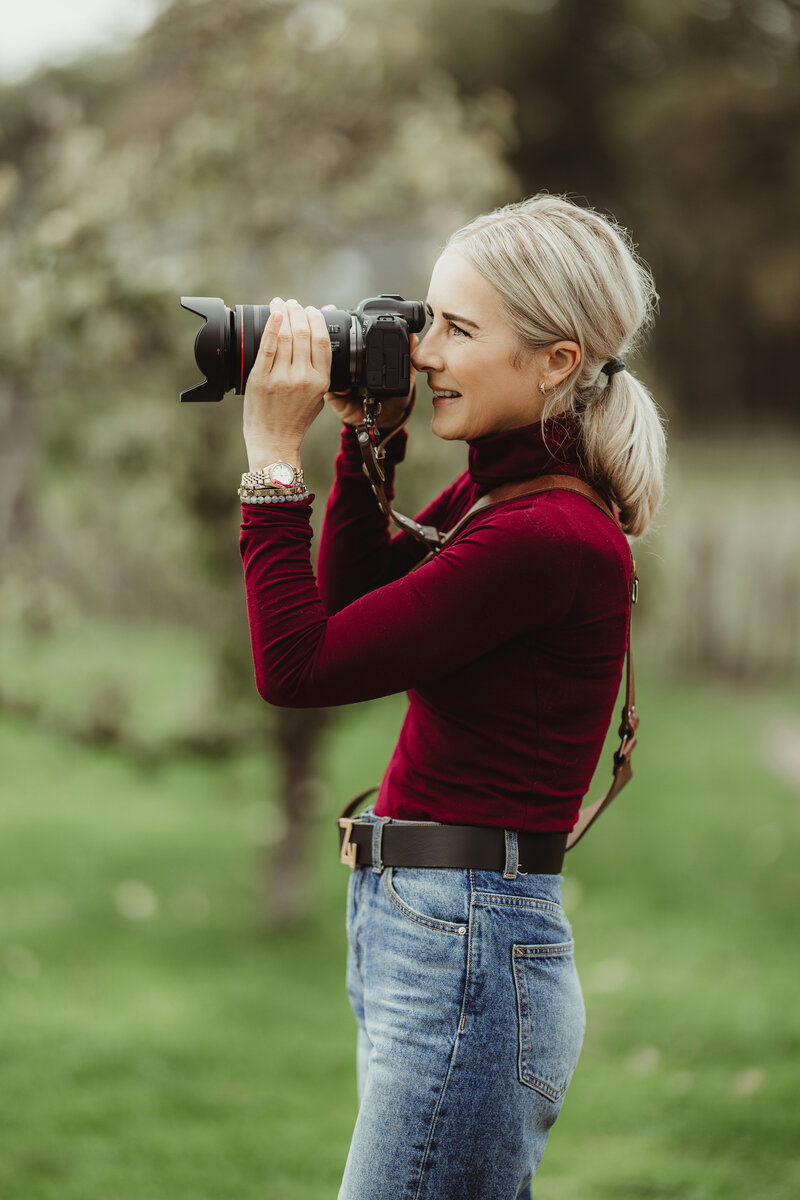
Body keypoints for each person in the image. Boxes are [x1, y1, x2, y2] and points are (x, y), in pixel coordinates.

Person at [238, 194, 666, 1200]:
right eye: (425, 320)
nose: (423, 352)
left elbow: (296, 669)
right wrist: (362, 440)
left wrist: (270, 464)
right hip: (431, 924)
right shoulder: (499, 493)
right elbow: (350, 612)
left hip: (464, 943)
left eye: (457, 330)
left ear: (555, 361)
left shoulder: (541, 537)